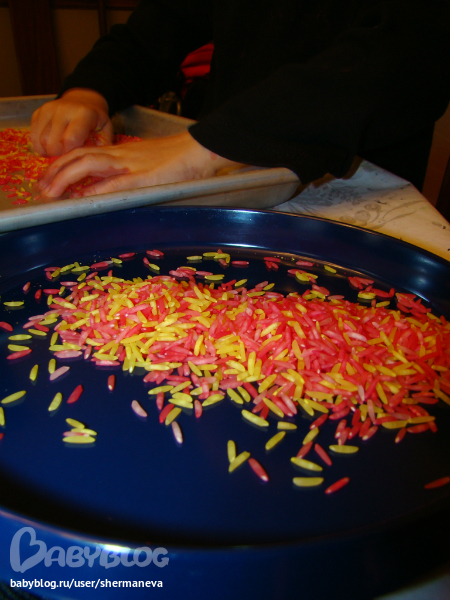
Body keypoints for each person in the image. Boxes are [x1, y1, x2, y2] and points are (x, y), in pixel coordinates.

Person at [31, 0, 450, 199]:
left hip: (352, 185)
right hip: (217, 172)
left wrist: (208, 147)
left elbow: (410, 53)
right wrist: (91, 88)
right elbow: (161, 24)